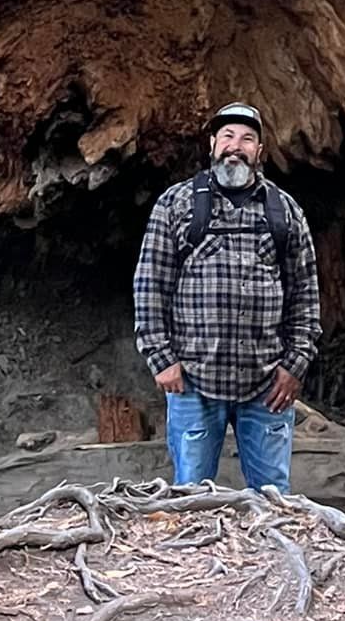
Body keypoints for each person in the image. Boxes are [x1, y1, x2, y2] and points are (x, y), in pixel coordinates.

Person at [133, 102, 321, 491]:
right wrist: (161, 359)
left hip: (267, 383)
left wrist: (296, 363)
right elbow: (150, 283)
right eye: (228, 136)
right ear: (212, 144)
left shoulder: (284, 212)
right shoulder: (177, 204)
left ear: (260, 152)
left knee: (273, 501)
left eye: (247, 139)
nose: (236, 146)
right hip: (194, 381)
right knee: (190, 497)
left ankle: (272, 554)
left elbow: (305, 293)